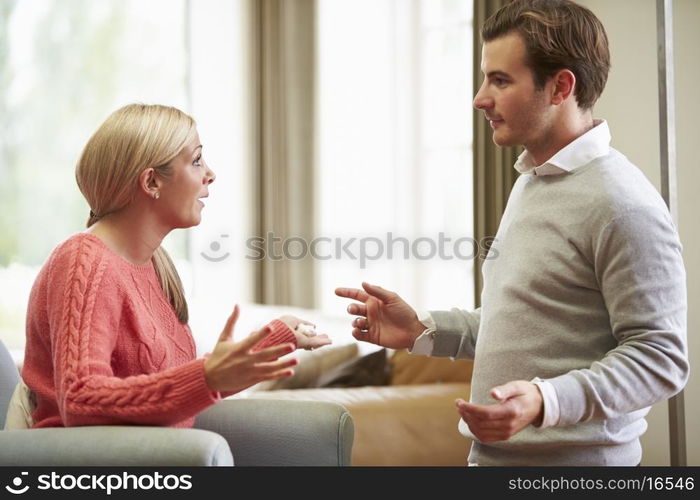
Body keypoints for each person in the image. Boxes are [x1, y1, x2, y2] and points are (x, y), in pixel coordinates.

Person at [336, 0, 688, 466]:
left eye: (500, 80)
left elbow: (660, 357)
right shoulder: (531, 182)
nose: (480, 98)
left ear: (561, 86)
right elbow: (522, 325)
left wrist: (546, 400)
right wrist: (423, 330)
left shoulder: (622, 204)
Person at [20, 103, 330, 429]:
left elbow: (168, 393)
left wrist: (269, 342)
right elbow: (81, 400)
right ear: (151, 182)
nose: (211, 174)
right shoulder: (83, 261)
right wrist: (207, 375)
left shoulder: (154, 265)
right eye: (196, 160)